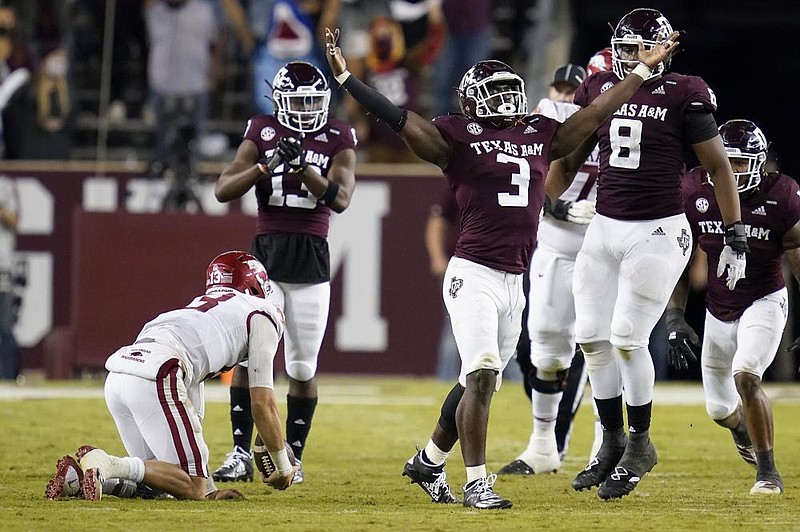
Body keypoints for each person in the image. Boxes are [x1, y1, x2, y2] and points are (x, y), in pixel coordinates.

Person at [324, 24, 680, 508]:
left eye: (511, 90)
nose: (507, 99)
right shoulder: (456, 137)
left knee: (472, 379)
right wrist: (348, 81)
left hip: (515, 279)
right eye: (495, 93)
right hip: (473, 273)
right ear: (472, 102)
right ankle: (476, 483)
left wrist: (639, 69)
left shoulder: (538, 131)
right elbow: (399, 118)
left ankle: (428, 461)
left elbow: (596, 113)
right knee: (484, 375)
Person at [545, 8, 748, 500]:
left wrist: (735, 229)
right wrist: (546, 200)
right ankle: (612, 439)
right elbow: (570, 155)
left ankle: (640, 442)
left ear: (660, 50)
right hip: (604, 224)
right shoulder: (598, 90)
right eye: (624, 47)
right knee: (590, 336)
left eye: (638, 49)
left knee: (627, 338)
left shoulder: (685, 92)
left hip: (657, 229)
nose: (628, 57)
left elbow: (719, 167)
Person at [45, 251, 298, 501]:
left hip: (119, 376)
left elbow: (192, 417)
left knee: (164, 482)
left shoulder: (193, 312)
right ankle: (109, 464)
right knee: (192, 485)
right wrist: (283, 467)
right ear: (256, 286)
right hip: (160, 372)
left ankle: (77, 480)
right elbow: (263, 404)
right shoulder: (263, 313)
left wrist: (211, 491)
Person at [213, 61, 357, 485]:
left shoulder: (339, 135)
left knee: (301, 366)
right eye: (299, 101)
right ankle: (240, 452)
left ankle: (292, 456)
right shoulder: (262, 130)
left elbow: (342, 198)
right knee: (250, 357)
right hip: (267, 257)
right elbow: (223, 189)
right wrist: (265, 164)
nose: (307, 108)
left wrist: (303, 171)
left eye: (314, 100)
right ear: (278, 101)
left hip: (311, 258)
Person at [667, 120, 799, 496]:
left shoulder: (781, 195)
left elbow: (798, 254)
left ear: (759, 164)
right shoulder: (693, 189)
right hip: (717, 307)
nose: (733, 170)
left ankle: (768, 472)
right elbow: (679, 256)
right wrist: (675, 315)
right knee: (719, 409)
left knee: (747, 375)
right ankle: (744, 429)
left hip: (764, 299)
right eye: (729, 161)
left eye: (742, 163)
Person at [499, 61, 604, 476]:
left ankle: (604, 447)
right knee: (542, 340)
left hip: (605, 239)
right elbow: (528, 172)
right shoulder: (546, 115)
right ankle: (543, 446)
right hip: (556, 237)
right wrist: (555, 204)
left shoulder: (632, 116)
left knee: (605, 343)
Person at [424, 190, 460, 380]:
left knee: (508, 331)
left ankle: (513, 384)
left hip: (504, 266)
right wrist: (438, 258)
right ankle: (446, 379)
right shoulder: (463, 177)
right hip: (461, 267)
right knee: (454, 329)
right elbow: (438, 219)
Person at [0, 174, 18, 380]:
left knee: (5, 326)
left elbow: (14, 221)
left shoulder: (5, 185)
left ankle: (9, 377)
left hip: (2, 267)